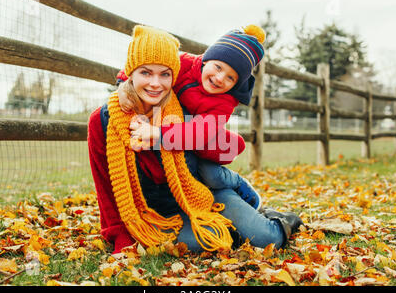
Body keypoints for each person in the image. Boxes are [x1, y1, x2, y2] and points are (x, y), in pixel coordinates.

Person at [88, 25, 302, 255]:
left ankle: (269, 215)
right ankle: (232, 226)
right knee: (203, 242)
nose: (155, 84)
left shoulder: (182, 106)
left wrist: (159, 135)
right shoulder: (104, 120)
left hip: (199, 190)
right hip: (160, 210)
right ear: (131, 72)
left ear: (173, 74)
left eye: (165, 74)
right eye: (145, 73)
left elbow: (206, 137)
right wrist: (119, 233)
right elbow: (105, 187)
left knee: (267, 238)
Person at [117, 25, 267, 210]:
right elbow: (146, 64)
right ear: (207, 59)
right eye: (218, 67)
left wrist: (159, 133)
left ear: (236, 84)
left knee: (212, 175)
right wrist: (123, 83)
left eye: (230, 78)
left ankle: (236, 182)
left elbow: (201, 133)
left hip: (198, 138)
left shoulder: (226, 102)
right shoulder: (184, 63)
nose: (220, 78)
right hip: (176, 125)